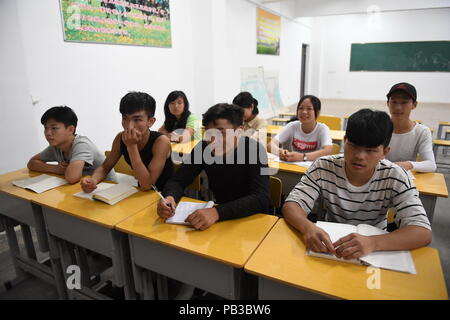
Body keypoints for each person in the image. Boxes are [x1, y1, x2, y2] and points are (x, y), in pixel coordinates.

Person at [282, 109, 431, 260]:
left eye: (370, 150)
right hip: (330, 244)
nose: (359, 156)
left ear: (385, 152)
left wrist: (373, 243)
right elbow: (292, 204)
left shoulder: (396, 176)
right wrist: (308, 227)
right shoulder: (323, 166)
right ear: (345, 140)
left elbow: (422, 232)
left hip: (376, 250)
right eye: (353, 146)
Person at [157, 103, 270, 231]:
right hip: (218, 220)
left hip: (250, 221)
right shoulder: (204, 148)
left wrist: (217, 212)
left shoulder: (255, 150)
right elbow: (178, 180)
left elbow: (261, 198)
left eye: (221, 133)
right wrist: (170, 197)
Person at [80, 91, 173, 192]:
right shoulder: (120, 138)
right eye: (125, 118)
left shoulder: (161, 142)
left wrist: (132, 146)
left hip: (167, 195)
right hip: (141, 193)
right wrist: (93, 180)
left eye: (137, 119)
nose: (129, 126)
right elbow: (105, 167)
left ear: (150, 121)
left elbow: (147, 184)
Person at [27, 106, 116, 184]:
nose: (48, 133)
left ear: (70, 129)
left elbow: (72, 178)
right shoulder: (56, 146)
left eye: (54, 128)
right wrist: (55, 169)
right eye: (46, 128)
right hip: (81, 188)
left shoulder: (81, 144)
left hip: (106, 188)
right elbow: (31, 163)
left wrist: (59, 170)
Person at [385, 82, 436, 172]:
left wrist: (408, 164)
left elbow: (431, 164)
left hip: (405, 179)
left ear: (414, 105)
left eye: (404, 102)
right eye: (394, 102)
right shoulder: (379, 127)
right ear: (388, 103)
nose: (398, 107)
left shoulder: (421, 132)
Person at [270, 95, 333, 162]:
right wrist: (280, 152)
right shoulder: (292, 126)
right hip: (294, 167)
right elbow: (271, 144)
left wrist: (303, 157)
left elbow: (327, 151)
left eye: (309, 109)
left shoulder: (322, 129)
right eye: (301, 108)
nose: (304, 112)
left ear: (317, 113)